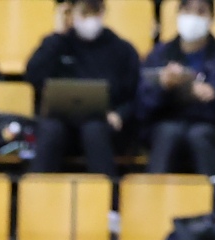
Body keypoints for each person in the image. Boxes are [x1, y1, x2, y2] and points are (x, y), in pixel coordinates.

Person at [133, 0, 215, 176]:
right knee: (168, 133)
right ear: (178, 14)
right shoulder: (159, 54)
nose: (193, 17)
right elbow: (141, 102)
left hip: (210, 125)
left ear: (211, 18)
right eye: (187, 11)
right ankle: (156, 189)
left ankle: (214, 190)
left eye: (200, 12)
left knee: (199, 135)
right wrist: (163, 87)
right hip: (167, 123)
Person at [25, 0, 142, 179]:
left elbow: (134, 94)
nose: (90, 19)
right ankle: (37, 190)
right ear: (71, 13)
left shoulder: (121, 49)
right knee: (50, 129)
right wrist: (58, 34)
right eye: (84, 13)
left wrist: (120, 114)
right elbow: (33, 76)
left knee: (93, 130)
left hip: (105, 128)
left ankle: (107, 192)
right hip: (62, 125)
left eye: (95, 12)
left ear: (103, 12)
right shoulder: (57, 44)